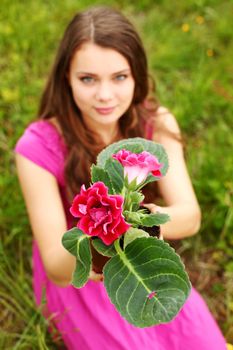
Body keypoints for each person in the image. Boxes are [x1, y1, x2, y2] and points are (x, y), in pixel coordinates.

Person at [15, 6, 227, 350]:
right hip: (82, 270)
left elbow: (190, 216)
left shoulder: (157, 124)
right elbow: (56, 262)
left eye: (119, 77)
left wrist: (133, 228)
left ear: (137, 75)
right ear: (65, 78)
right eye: (87, 79)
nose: (104, 95)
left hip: (139, 255)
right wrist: (102, 239)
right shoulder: (37, 146)